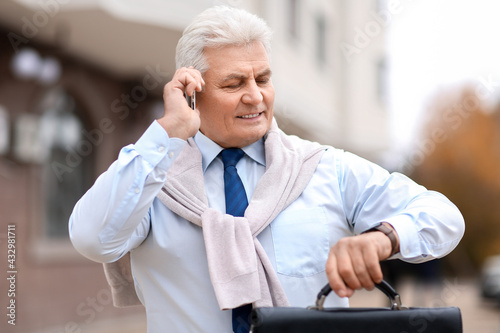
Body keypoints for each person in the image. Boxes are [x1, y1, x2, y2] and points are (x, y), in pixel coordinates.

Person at [69, 6, 465, 333]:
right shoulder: (153, 178)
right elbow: (92, 237)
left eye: (263, 78)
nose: (255, 95)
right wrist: (165, 133)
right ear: (193, 91)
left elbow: (444, 217)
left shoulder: (324, 168)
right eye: (233, 83)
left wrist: (383, 239)